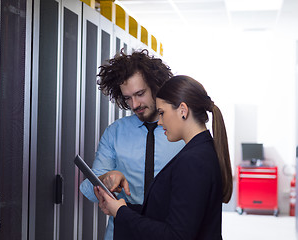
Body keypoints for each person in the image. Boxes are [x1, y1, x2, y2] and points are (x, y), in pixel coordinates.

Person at [95, 75, 233, 240]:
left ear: (183, 110)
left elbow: (176, 236)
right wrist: (122, 208)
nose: (159, 122)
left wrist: (121, 212)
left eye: (162, 113)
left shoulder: (193, 160)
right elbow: (170, 217)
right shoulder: (201, 151)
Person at [79, 49, 185, 240]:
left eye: (140, 94)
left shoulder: (182, 131)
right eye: (127, 98)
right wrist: (106, 179)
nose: (134, 104)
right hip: (121, 232)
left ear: (156, 86)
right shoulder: (115, 132)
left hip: (169, 232)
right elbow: (88, 189)